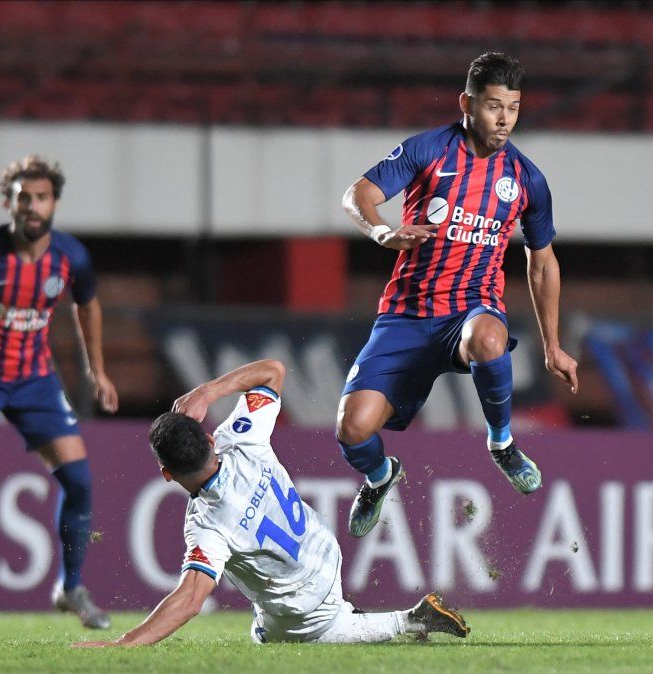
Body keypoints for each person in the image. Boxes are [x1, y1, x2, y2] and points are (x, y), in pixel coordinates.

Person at [337, 51, 579, 537]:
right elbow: (357, 195)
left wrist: (552, 345)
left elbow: (542, 262)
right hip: (406, 315)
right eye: (493, 106)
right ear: (466, 103)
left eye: (513, 107)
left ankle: (502, 444)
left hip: (470, 309)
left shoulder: (527, 179)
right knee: (353, 429)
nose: (504, 119)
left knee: (489, 339)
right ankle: (381, 477)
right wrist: (383, 232)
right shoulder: (428, 151)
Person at [74, 359, 469, 647]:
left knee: (273, 637)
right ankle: (363, 615)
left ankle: (409, 621)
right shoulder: (240, 437)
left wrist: (123, 645)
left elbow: (191, 599)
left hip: (305, 601)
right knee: (274, 616)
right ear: (209, 439)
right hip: (324, 552)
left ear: (167, 474)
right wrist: (207, 391)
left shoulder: (207, 524)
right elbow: (273, 371)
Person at [0, 155, 118, 631]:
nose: (32, 206)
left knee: (79, 481)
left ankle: (71, 587)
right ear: (7, 203)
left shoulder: (70, 256)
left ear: (54, 204)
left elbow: (88, 306)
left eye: (41, 198)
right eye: (23, 198)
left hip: (34, 378)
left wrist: (97, 370)